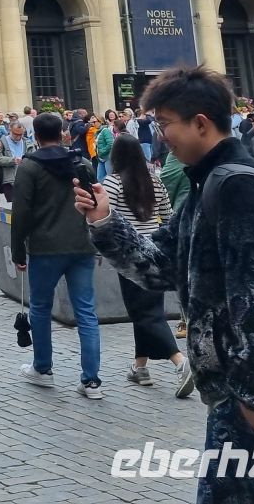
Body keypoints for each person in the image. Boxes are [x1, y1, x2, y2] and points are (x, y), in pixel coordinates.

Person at [79, 66, 254, 503]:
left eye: (165, 124)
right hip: (239, 396)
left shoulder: (239, 190)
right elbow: (160, 269)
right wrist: (105, 223)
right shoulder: (208, 184)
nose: (161, 135)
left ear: (201, 124)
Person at [11, 110, 102, 398]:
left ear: (35, 136)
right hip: (82, 244)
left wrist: (17, 250)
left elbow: (21, 211)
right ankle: (91, 381)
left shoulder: (29, 167)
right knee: (86, 311)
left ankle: (43, 368)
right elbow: (96, 202)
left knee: (40, 307)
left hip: (46, 247)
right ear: (63, 133)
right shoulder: (82, 163)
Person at [103, 134, 194, 396]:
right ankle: (139, 366)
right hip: (154, 247)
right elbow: (168, 215)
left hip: (128, 253)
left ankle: (180, 361)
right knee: (144, 309)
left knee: (145, 313)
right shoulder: (154, 180)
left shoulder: (112, 183)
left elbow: (107, 217)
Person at [0, 121, 35, 204]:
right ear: (10, 130)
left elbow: (34, 158)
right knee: (13, 205)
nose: (18, 137)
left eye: (21, 134)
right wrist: (12, 160)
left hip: (26, 179)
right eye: (16, 134)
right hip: (9, 180)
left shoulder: (28, 142)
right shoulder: (2, 142)